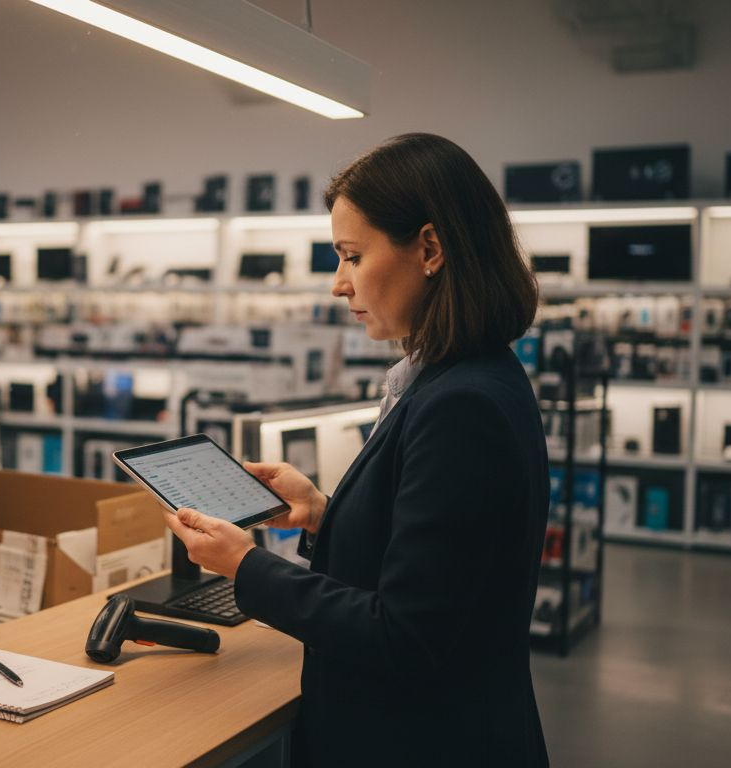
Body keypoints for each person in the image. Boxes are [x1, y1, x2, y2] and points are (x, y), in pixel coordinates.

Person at [163, 133, 549, 766]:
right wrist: (322, 514)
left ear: (429, 248)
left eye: (350, 255)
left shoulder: (461, 407)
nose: (337, 284)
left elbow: (404, 636)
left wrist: (246, 566)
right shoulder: (463, 378)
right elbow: (440, 569)